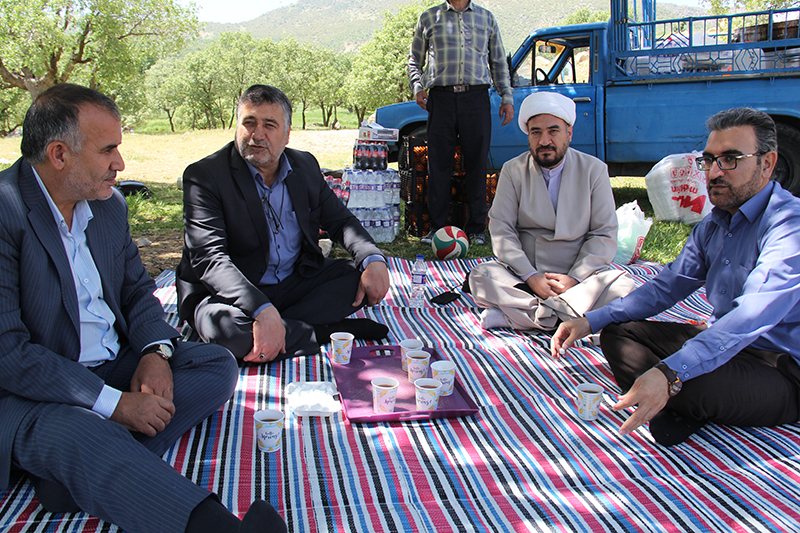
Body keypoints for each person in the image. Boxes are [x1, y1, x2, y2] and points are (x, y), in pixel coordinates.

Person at [0, 84, 285, 532]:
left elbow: (137, 292)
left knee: (217, 365)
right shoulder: (5, 211)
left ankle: (73, 475)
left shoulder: (108, 206)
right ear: (59, 155)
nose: (121, 164)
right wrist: (113, 405)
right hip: (35, 392)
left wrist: (156, 353)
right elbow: (8, 354)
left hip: (114, 365)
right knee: (80, 429)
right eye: (108, 149)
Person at [551, 108, 800, 447]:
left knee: (685, 381)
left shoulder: (789, 227)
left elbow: (748, 318)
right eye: (709, 160)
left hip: (780, 368)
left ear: (767, 163)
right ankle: (670, 398)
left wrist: (669, 372)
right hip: (722, 345)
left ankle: (672, 398)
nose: (713, 172)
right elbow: (666, 287)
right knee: (618, 334)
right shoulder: (714, 224)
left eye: (730, 159)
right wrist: (590, 321)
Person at [177, 84, 390, 364]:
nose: (257, 135)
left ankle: (280, 329)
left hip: (293, 282)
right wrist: (260, 308)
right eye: (249, 123)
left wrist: (372, 258)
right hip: (229, 294)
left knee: (360, 279)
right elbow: (210, 260)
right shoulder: (205, 176)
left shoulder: (304, 166)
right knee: (227, 331)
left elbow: (340, 221)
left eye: (269, 125)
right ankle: (323, 332)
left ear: (287, 134)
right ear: (237, 126)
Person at [469, 92, 634, 331]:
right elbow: (501, 229)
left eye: (553, 131)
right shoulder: (513, 170)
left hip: (578, 278)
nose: (544, 140)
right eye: (536, 132)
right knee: (480, 276)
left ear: (569, 133)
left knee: (624, 286)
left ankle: (523, 316)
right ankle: (574, 319)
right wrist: (531, 276)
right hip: (526, 274)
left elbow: (603, 233)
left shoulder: (594, 170)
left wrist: (575, 278)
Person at [407, 0, 515, 246]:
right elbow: (414, 60)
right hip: (441, 98)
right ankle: (437, 228)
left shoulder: (486, 18)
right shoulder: (429, 17)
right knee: (439, 164)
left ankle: (477, 229)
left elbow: (498, 62)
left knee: (477, 164)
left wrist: (506, 97)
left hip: (476, 98)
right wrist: (417, 86)